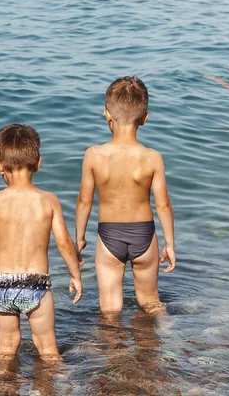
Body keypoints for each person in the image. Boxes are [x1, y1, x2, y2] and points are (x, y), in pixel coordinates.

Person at [0, 124, 82, 358]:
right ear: (38, 162)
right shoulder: (48, 200)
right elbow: (65, 243)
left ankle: (4, 387)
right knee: (47, 349)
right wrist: (75, 276)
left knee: (6, 348)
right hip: (35, 283)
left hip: (2, 285)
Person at [76, 76, 175, 314]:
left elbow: (84, 202)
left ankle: (115, 351)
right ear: (145, 119)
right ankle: (167, 341)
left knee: (110, 307)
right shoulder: (152, 157)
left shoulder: (94, 155)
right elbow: (163, 205)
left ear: (106, 114)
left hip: (109, 235)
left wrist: (78, 238)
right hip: (144, 234)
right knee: (150, 301)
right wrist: (170, 244)